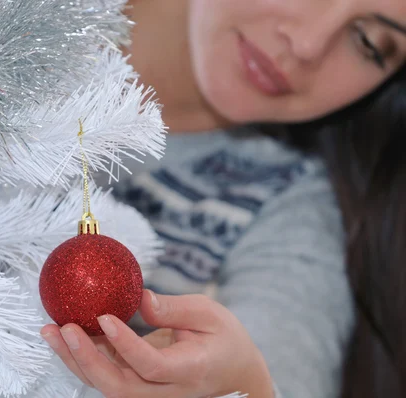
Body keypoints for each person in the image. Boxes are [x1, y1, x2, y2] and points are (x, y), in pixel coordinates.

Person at [41, 0, 406, 397]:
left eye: (369, 42)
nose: (306, 44)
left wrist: (248, 386)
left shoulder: (289, 206)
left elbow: (288, 374)